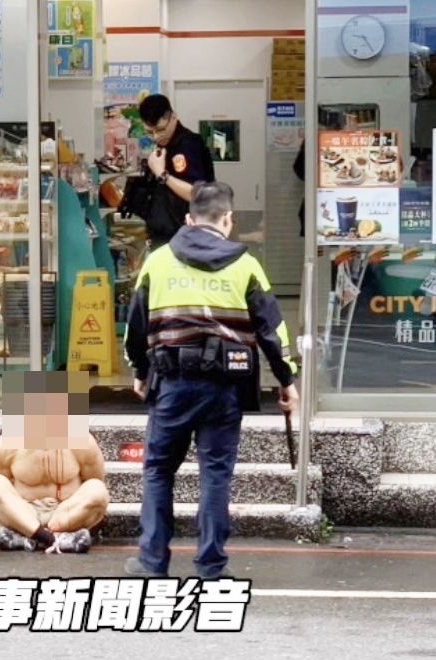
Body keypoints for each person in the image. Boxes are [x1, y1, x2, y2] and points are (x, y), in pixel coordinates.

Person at [122, 181, 299, 579]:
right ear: (228, 220)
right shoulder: (246, 265)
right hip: (225, 387)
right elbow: (272, 330)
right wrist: (286, 380)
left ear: (189, 220)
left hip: (171, 383)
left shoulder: (157, 261)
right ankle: (211, 565)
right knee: (215, 473)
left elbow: (135, 326)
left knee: (158, 470)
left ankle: (152, 561)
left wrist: (140, 371)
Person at [0, 372, 110, 554]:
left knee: (97, 490)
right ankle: (45, 537)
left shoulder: (82, 441)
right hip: (24, 513)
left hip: (66, 512)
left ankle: (38, 537)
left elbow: (94, 481)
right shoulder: (8, 443)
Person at [138, 94, 215, 249]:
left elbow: (198, 194)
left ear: (173, 117)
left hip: (186, 237)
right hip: (162, 235)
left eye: (160, 130)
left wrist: (162, 174)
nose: (156, 137)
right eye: (149, 132)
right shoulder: (164, 145)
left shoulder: (189, 144)